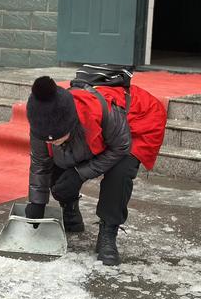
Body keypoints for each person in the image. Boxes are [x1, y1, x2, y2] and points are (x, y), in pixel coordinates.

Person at [25, 76, 166, 265]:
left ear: (71, 123)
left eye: (57, 137)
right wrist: (37, 202)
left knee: (120, 172)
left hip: (137, 121)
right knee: (57, 159)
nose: (52, 142)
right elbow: (41, 164)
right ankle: (70, 207)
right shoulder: (41, 123)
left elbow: (120, 147)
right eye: (48, 139)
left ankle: (109, 231)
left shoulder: (100, 111)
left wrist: (79, 174)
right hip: (100, 131)